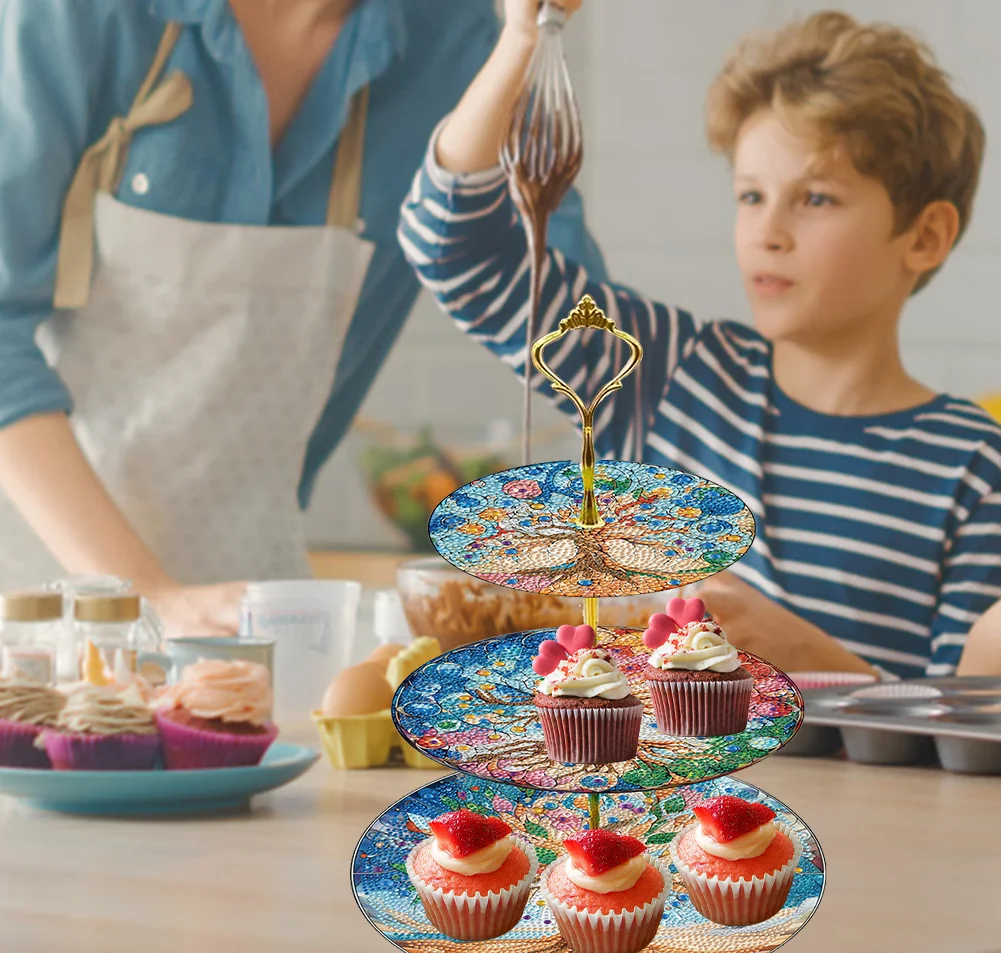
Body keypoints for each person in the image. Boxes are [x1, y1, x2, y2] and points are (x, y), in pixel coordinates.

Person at [398, 2, 1001, 680]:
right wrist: (517, 39)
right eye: (751, 196)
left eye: (816, 199)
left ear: (925, 236)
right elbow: (453, 248)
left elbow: (961, 726)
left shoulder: (973, 469)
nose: (767, 232)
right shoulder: (668, 373)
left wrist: (811, 659)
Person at [0, 0, 606, 637]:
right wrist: (153, 596)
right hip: (31, 609)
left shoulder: (460, 44)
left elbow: (585, 337)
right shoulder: (79, 14)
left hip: (254, 613)